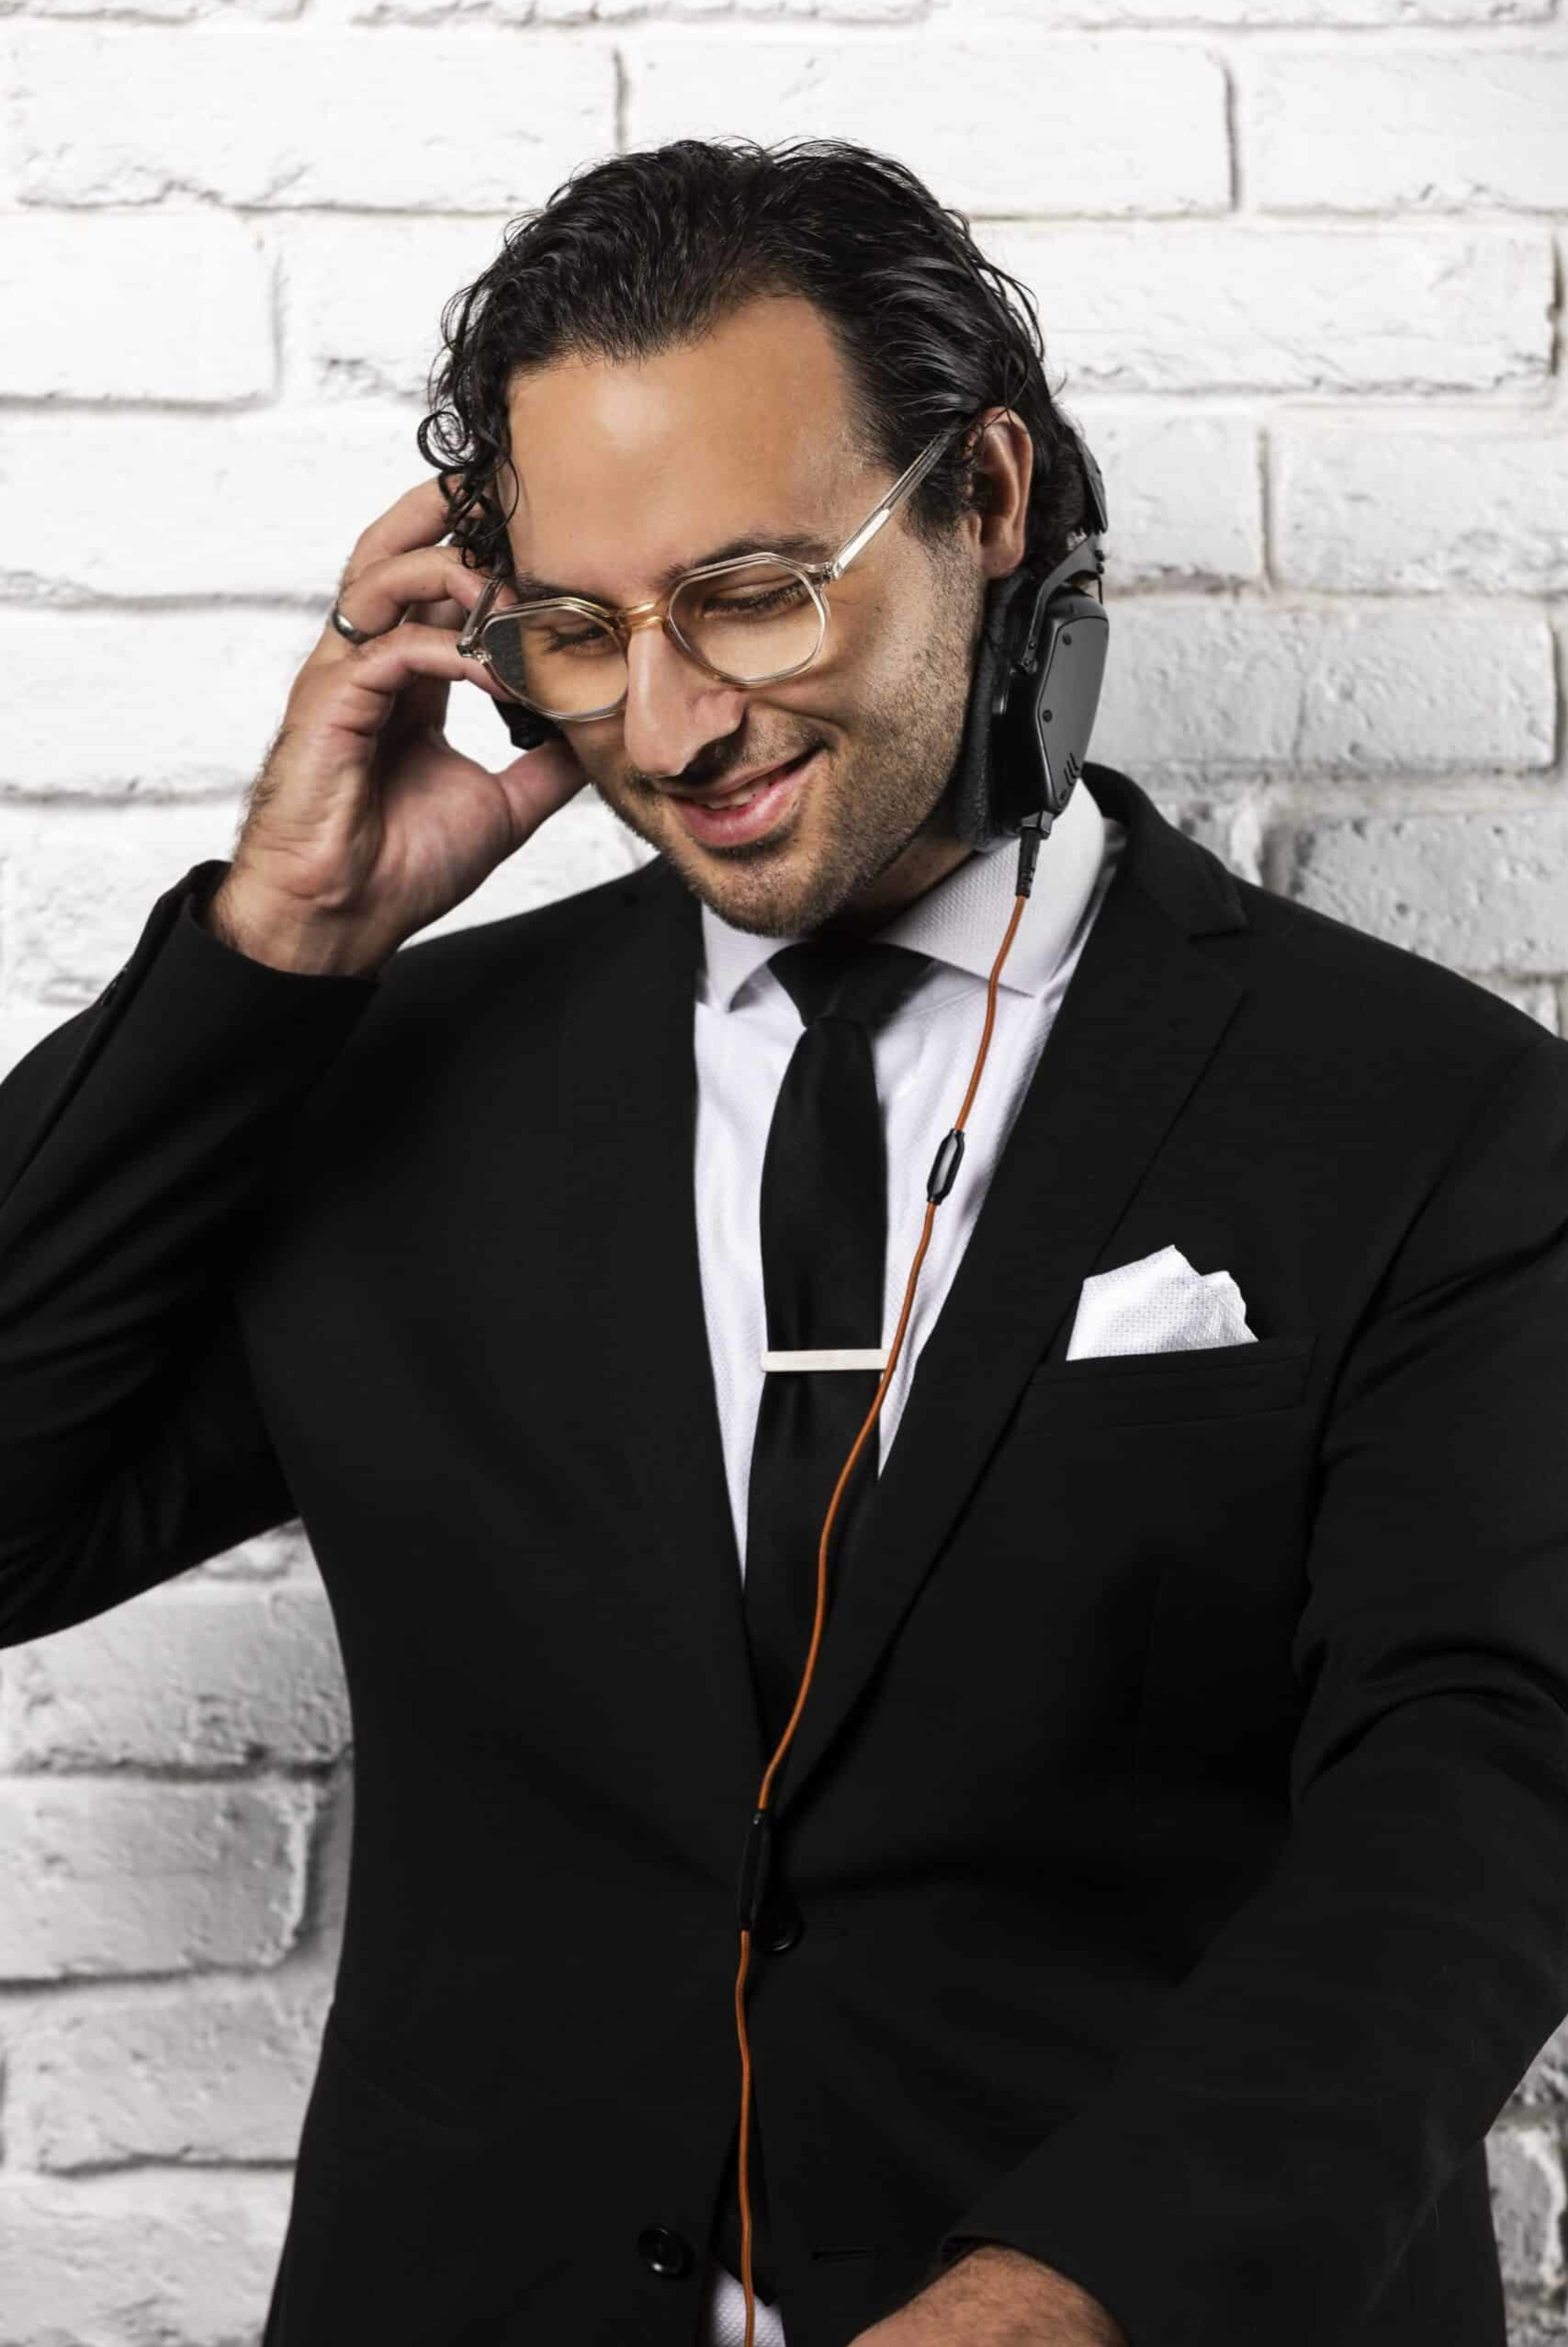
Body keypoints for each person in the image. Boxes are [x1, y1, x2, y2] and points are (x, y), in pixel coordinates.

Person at [3, 133, 1568, 2347]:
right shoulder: (386, 1085)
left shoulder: (1428, 1112)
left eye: (750, 590)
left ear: (986, 499)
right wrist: (277, 938)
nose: (669, 727)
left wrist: (1072, 2296)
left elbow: (1480, 1794)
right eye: (577, 630)